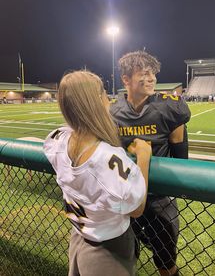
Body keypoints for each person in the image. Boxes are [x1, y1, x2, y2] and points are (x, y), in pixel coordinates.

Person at [43, 70, 152, 276]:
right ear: (96, 102)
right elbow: (137, 208)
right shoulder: (106, 159)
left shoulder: (58, 140)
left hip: (78, 236)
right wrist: (144, 158)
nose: (108, 99)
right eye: (104, 94)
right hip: (108, 249)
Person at [110, 51, 191, 276]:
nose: (151, 78)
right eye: (143, 74)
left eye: (153, 74)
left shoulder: (170, 107)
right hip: (125, 193)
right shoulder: (113, 112)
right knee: (125, 254)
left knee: (165, 260)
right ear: (126, 79)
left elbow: (181, 158)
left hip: (159, 198)